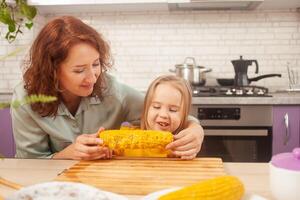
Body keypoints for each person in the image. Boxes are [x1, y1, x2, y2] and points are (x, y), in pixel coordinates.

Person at [11, 15, 204, 160]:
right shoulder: (25, 100)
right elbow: (30, 162)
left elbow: (160, 111)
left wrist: (196, 130)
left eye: (96, 64)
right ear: (52, 70)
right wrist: (67, 154)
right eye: (79, 70)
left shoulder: (113, 91)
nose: (92, 77)